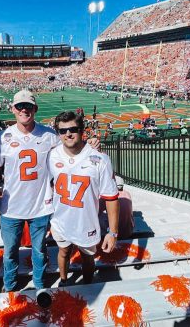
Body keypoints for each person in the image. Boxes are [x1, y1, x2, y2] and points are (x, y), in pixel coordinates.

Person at [0, 90, 58, 292]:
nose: (24, 110)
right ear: (13, 109)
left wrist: (87, 144)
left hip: (41, 204)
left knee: (39, 250)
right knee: (10, 250)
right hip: (12, 206)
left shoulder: (49, 135)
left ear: (35, 109)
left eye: (28, 106)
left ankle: (39, 284)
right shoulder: (4, 137)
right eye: (20, 106)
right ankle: (10, 285)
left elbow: (64, 159)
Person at [48, 111, 119, 286]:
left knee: (88, 258)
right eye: (62, 131)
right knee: (63, 252)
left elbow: (111, 198)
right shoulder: (52, 155)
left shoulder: (99, 159)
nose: (68, 134)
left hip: (86, 222)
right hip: (60, 220)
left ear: (82, 131)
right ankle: (64, 282)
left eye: (73, 129)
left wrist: (113, 232)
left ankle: (87, 285)